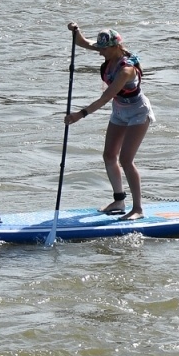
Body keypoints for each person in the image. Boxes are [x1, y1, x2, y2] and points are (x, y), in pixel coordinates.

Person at [63, 23, 153, 219]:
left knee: (126, 160)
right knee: (109, 156)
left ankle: (138, 208)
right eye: (100, 48)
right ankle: (119, 201)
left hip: (138, 112)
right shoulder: (109, 51)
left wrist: (80, 114)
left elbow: (105, 98)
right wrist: (76, 31)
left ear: (115, 47)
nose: (99, 52)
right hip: (119, 111)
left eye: (103, 49)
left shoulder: (126, 70)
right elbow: (82, 42)